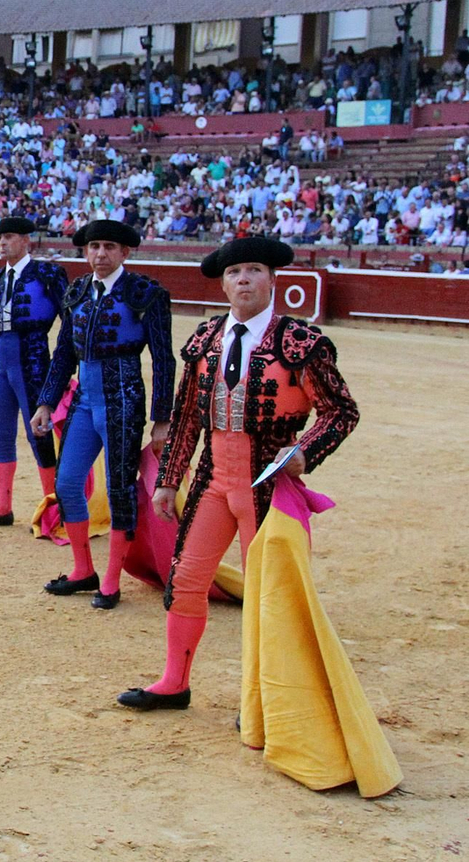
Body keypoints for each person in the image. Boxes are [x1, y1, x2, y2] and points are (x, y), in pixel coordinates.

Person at [118, 237, 359, 710]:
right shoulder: (207, 338)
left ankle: (263, 700)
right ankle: (174, 682)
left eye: (253, 270)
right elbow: (186, 417)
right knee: (185, 580)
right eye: (234, 273)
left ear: (273, 279)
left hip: (268, 482)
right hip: (212, 479)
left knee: (268, 594)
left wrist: (305, 451)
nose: (243, 278)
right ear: (224, 284)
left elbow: (340, 411)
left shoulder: (301, 343)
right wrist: (169, 478)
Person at [31, 219, 175, 609]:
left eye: (109, 247)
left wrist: (163, 419)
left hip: (124, 399)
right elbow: (63, 352)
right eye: (94, 247)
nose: (100, 254)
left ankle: (111, 581)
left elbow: (163, 359)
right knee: (67, 484)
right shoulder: (77, 291)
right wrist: (46, 401)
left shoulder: (145, 293)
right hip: (85, 398)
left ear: (125, 252)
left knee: (119, 489)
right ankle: (83, 570)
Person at [0, 218, 68, 528]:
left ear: (25, 240)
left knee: (40, 437)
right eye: (0, 238)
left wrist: (62, 367)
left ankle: (54, 507)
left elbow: (70, 323)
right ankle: (3, 507)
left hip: (34, 365)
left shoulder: (47, 274)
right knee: (1, 435)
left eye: (9, 237)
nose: (3, 243)